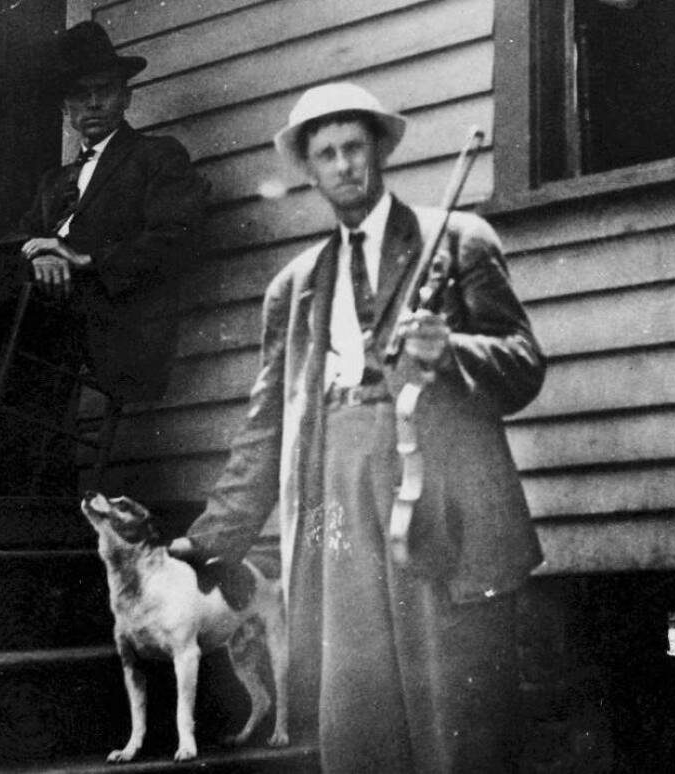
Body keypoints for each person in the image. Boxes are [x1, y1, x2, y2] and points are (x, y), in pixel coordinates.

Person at [168, 82, 545, 772]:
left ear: (378, 153)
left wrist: (452, 350)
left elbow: (523, 365)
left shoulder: (457, 241)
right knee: (360, 708)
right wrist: (212, 538)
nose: (344, 165)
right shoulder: (296, 285)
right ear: (309, 171)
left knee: (456, 711)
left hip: (442, 497)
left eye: (354, 148)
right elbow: (267, 425)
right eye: (326, 154)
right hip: (338, 495)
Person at [0, 21, 208, 493]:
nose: (93, 104)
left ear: (125, 97)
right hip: (46, 314)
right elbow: (19, 240)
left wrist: (79, 258)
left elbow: (178, 235)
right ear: (66, 109)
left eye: (104, 91)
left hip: (111, 319)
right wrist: (39, 257)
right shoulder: (54, 182)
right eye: (80, 95)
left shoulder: (155, 157)